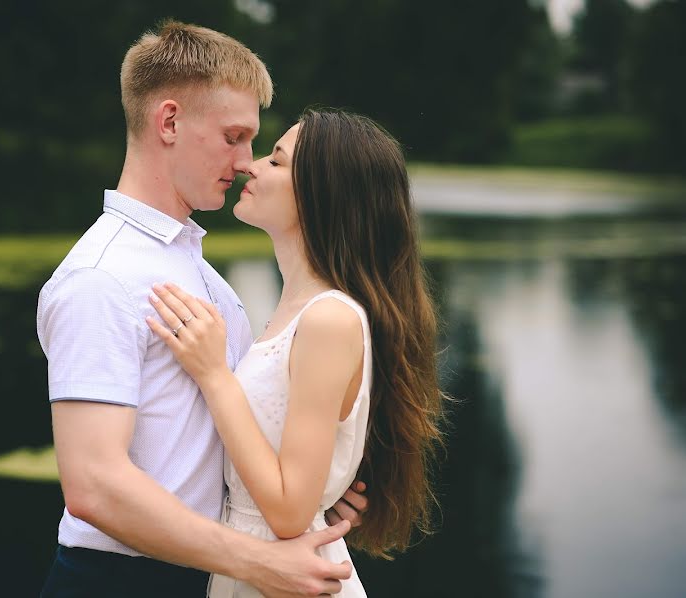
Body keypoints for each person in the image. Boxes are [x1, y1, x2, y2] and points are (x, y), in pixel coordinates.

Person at [36, 22, 368, 598]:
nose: (245, 162)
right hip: (119, 583)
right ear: (169, 122)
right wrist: (260, 560)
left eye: (254, 143)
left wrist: (311, 492)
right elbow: (93, 486)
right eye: (234, 137)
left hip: (204, 575)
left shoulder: (204, 276)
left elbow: (216, 434)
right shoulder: (101, 276)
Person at [147, 108, 448, 597]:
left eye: (277, 161)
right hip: (260, 568)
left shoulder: (329, 319)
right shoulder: (297, 311)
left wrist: (214, 374)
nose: (252, 166)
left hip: (283, 576)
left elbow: (287, 512)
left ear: (320, 195)